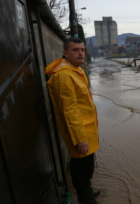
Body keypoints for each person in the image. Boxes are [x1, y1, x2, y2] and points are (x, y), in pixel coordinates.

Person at [45, 37, 100, 204]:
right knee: (81, 170)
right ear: (65, 53)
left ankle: (87, 192)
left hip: (86, 130)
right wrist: (80, 138)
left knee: (86, 167)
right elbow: (69, 110)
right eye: (75, 50)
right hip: (80, 133)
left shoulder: (75, 70)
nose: (81, 53)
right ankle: (86, 199)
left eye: (82, 49)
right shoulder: (64, 76)